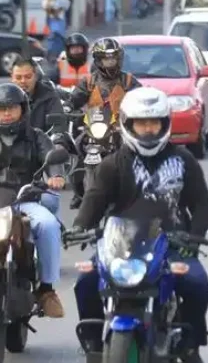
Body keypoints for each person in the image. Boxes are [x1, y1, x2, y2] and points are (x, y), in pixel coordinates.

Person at [69, 87, 208, 362]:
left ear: (164, 123)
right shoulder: (113, 164)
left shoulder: (184, 160)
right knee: (85, 281)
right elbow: (94, 199)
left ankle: (190, 343)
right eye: (141, 123)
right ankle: (93, 343)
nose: (148, 130)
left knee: (197, 283)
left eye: (154, 122)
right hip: (120, 245)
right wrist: (79, 226)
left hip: (172, 243)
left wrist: (194, 238)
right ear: (128, 124)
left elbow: (201, 204)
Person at [0, 83, 67, 317]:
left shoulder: (35, 136)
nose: (6, 113)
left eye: (12, 108)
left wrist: (56, 175)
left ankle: (47, 289)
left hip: (23, 199)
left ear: (23, 109)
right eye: (1, 108)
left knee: (48, 224)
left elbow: (52, 157)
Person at [68, 37, 141, 209]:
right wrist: (67, 106)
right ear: (99, 60)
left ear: (119, 59)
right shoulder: (89, 82)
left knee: (140, 153)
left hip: (122, 128)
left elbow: (141, 97)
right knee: (75, 148)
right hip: (94, 129)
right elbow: (75, 99)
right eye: (106, 59)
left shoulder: (128, 81)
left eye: (113, 58)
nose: (110, 62)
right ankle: (78, 192)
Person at [11, 58, 67, 136]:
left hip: (42, 144)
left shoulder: (49, 96)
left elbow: (58, 128)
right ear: (12, 78)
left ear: (36, 77)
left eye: (28, 76)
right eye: (18, 77)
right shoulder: (3, 98)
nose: (23, 81)